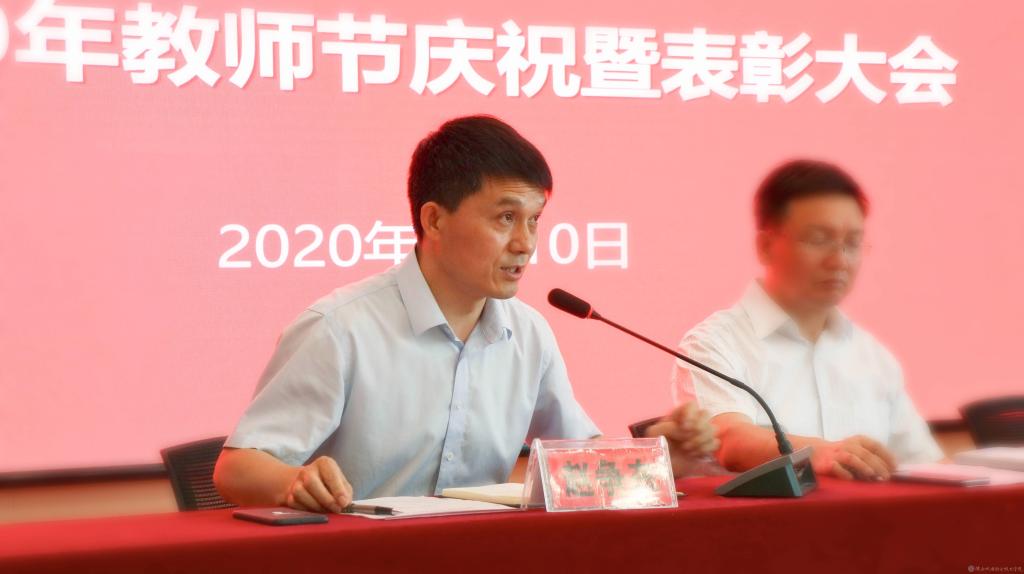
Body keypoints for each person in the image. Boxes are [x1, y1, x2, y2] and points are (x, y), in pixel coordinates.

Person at [214, 115, 718, 513]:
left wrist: (664, 461)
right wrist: (293, 480)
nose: (525, 243)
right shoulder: (340, 329)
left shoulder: (528, 334)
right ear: (434, 219)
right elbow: (236, 469)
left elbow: (577, 462)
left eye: (534, 221)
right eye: (505, 218)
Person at [670, 159, 943, 482]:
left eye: (852, 243)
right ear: (765, 246)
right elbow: (731, 441)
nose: (839, 260)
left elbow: (923, 462)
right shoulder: (713, 344)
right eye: (819, 239)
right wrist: (819, 453)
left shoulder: (873, 356)